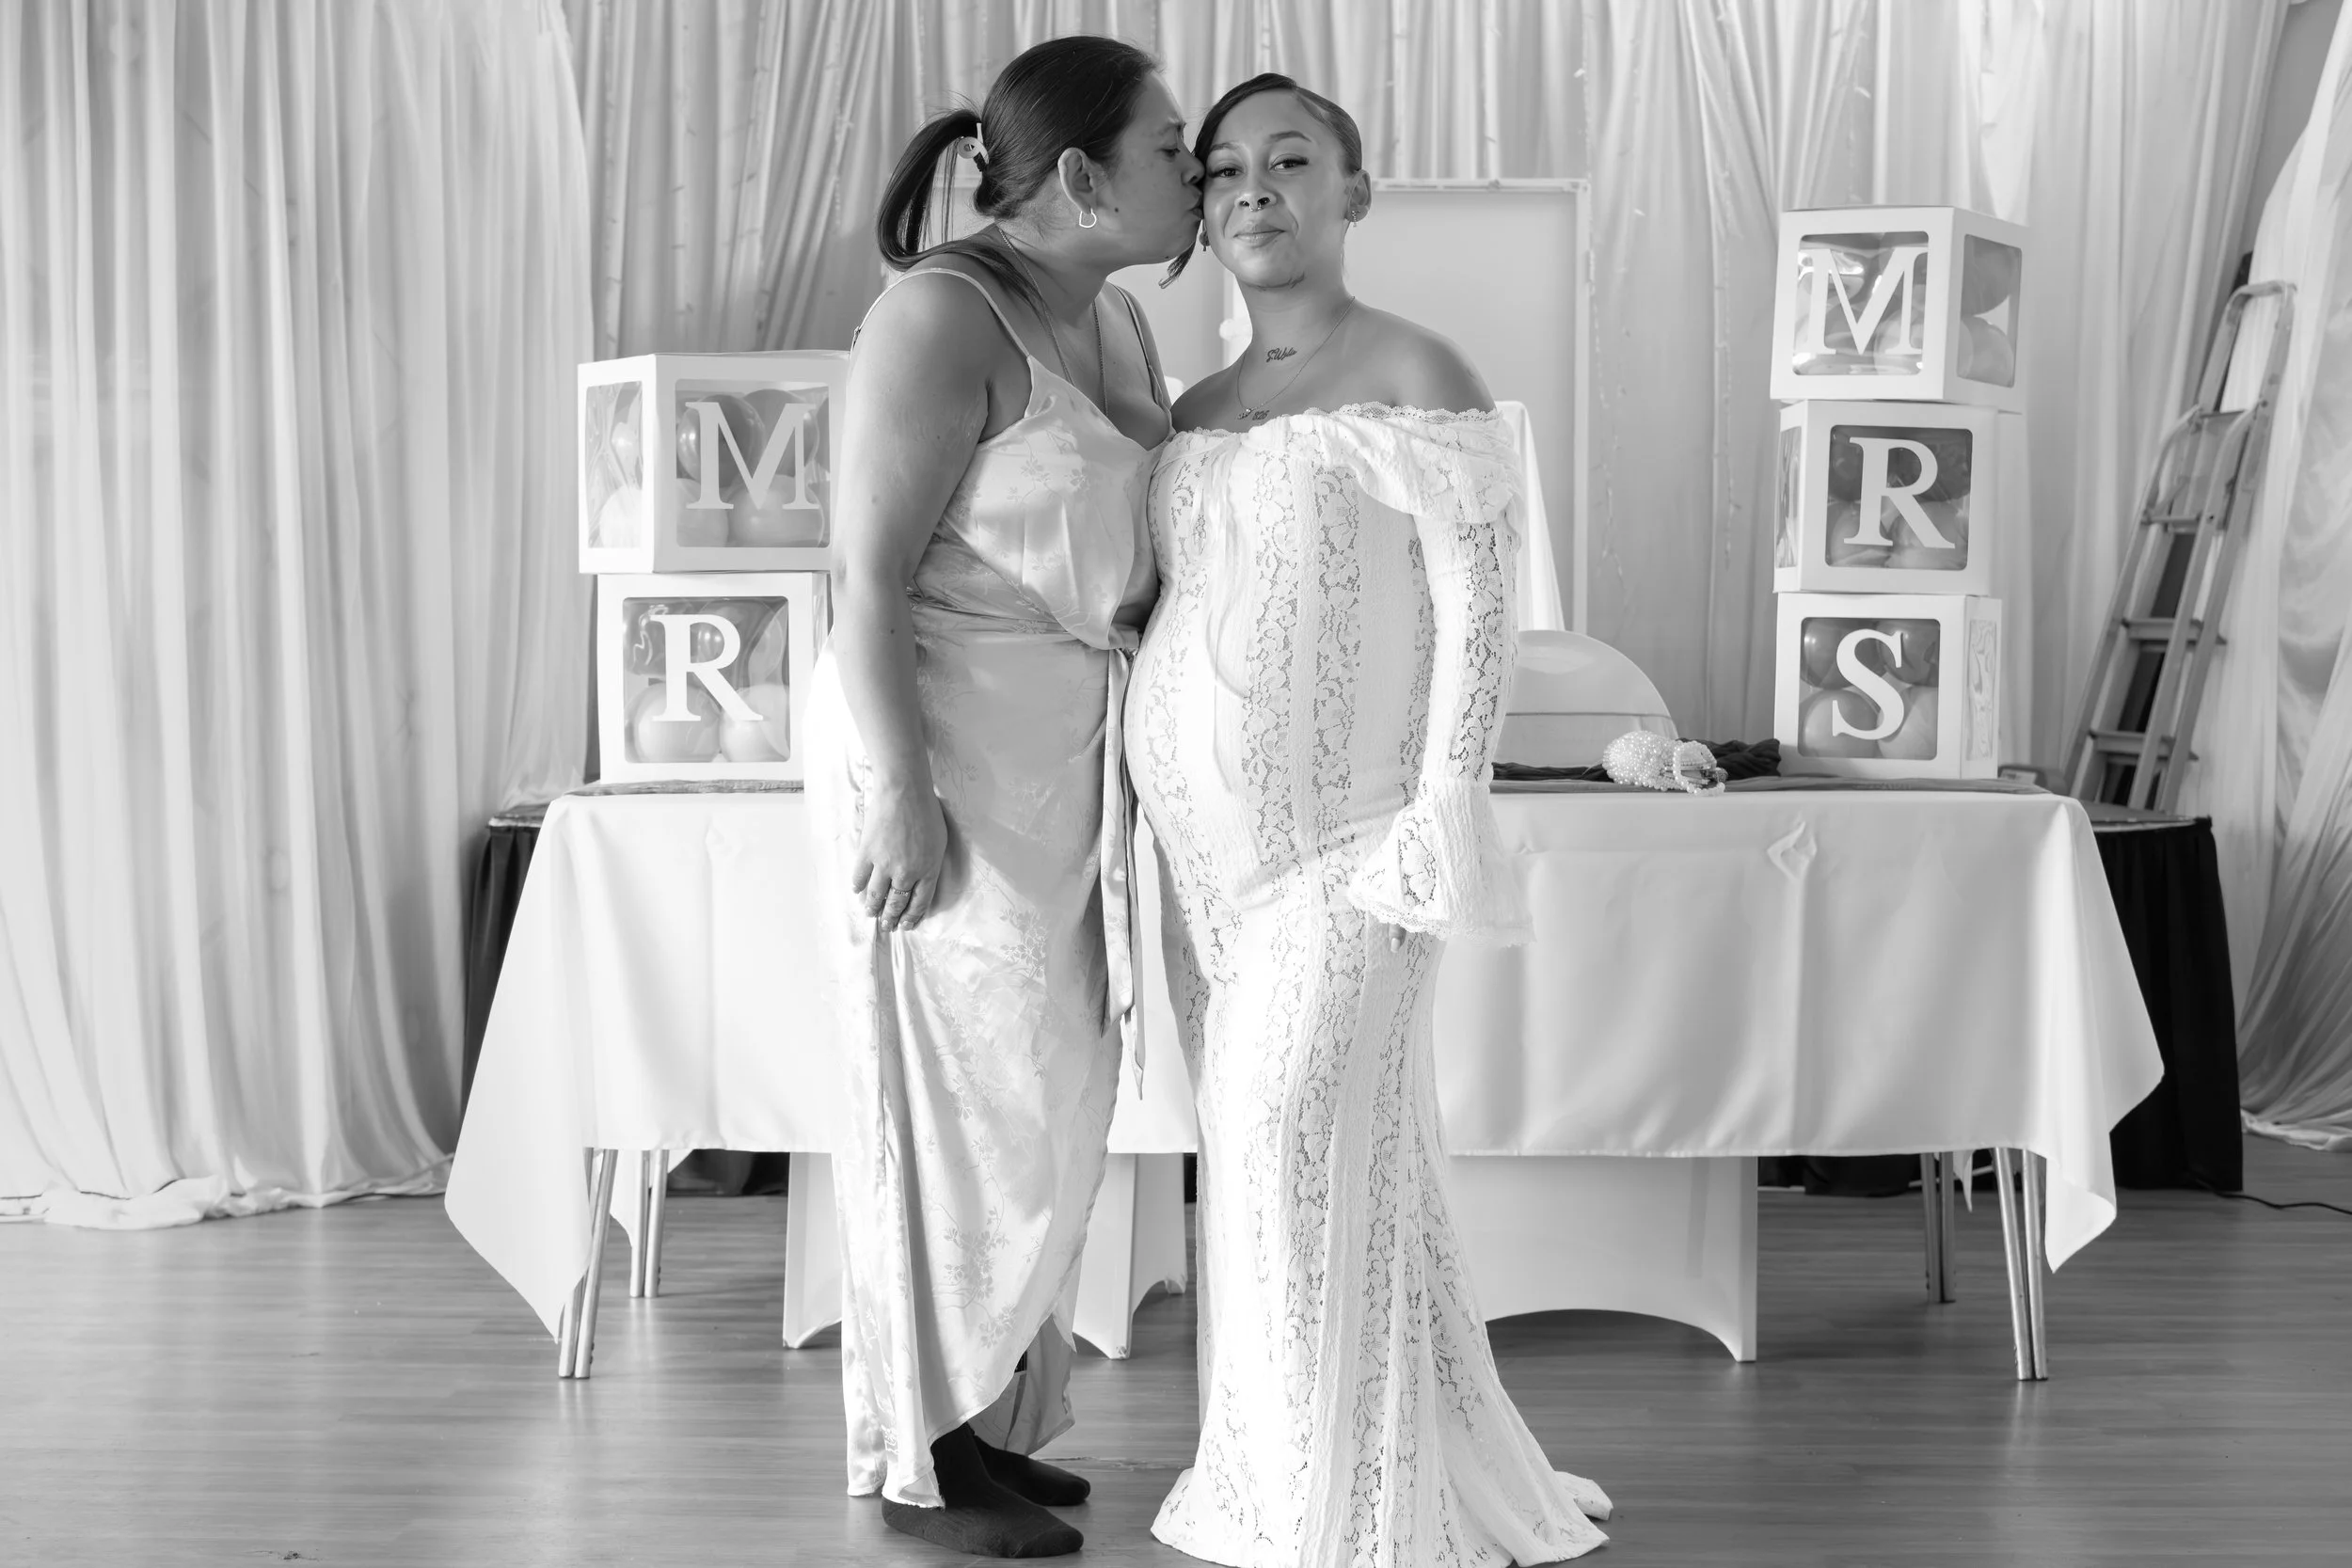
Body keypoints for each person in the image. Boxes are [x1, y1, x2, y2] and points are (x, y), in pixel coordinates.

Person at [1128, 74, 1613, 1566]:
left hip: (1356, 850)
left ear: (1355, 192)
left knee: (1287, 1148)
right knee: (1309, 1170)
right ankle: (1366, 1458)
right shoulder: (1192, 409)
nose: (1254, 190)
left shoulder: (1415, 364)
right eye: (1225, 169)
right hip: (1204, 875)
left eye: (1291, 161)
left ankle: (1328, 1512)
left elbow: (1482, 607)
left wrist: (1442, 809)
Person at [804, 36, 1201, 1560]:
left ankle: (983, 1414)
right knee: (950, 1102)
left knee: (1047, 1094)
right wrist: (899, 795)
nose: (1197, 173)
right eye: (1173, 147)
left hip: (1061, 755)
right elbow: (865, 578)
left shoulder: (1116, 320)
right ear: (1084, 176)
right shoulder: (938, 316)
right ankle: (926, 1451)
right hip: (938, 743)